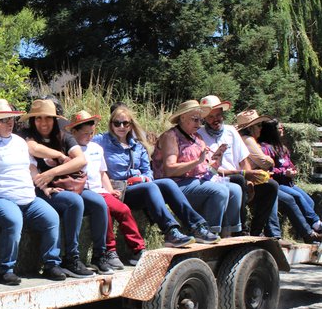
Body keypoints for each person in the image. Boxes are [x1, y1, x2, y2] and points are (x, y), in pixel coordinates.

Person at [93, 104, 219, 262]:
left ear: (131, 125)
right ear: (111, 124)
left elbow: (148, 171)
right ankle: (170, 230)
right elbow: (82, 142)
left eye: (126, 123)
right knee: (150, 187)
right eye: (117, 123)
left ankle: (196, 225)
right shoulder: (102, 140)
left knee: (167, 183)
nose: (121, 127)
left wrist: (144, 177)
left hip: (139, 186)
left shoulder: (137, 146)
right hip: (119, 189)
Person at [0, 99, 65, 284]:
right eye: (4, 120)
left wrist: (44, 186)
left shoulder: (20, 142)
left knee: (52, 218)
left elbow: (29, 168)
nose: (10, 123)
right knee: (14, 220)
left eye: (11, 119)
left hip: (27, 198)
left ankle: (51, 264)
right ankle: (4, 270)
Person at [19, 99, 106, 277]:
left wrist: (53, 172)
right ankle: (71, 257)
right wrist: (59, 155)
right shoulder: (26, 135)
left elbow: (81, 160)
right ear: (33, 120)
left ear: (55, 119)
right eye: (38, 118)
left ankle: (100, 254)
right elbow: (33, 148)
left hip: (67, 183)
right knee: (74, 202)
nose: (43, 123)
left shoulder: (64, 136)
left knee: (99, 203)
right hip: (43, 188)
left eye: (48, 118)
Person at [67, 110, 146, 269]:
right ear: (74, 131)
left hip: (100, 190)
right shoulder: (70, 149)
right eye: (85, 134)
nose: (89, 136)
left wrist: (109, 189)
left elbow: (102, 172)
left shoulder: (96, 147)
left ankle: (138, 248)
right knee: (104, 211)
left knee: (123, 209)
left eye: (92, 132)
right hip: (83, 191)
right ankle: (109, 251)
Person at [151, 100, 242, 236]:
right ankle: (207, 231)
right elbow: (169, 169)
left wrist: (217, 159)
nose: (199, 124)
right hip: (175, 185)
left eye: (200, 120)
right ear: (182, 118)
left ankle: (229, 233)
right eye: (195, 120)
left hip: (196, 181)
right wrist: (196, 161)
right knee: (220, 191)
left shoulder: (197, 137)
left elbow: (207, 169)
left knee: (235, 189)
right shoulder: (171, 136)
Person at [198, 95, 280, 238]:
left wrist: (249, 178)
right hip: (216, 179)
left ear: (222, 114)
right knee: (238, 180)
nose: (215, 119)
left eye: (217, 115)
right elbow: (211, 168)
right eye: (210, 117)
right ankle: (241, 229)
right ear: (204, 119)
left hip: (240, 176)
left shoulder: (231, 131)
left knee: (271, 186)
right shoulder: (199, 135)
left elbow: (243, 159)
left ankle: (255, 232)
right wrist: (244, 175)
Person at [237, 112, 322, 243]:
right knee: (284, 196)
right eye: (258, 125)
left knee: (293, 196)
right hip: (253, 181)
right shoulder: (247, 139)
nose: (261, 128)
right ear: (250, 127)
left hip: (260, 180)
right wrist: (276, 168)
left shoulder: (254, 141)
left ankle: (280, 233)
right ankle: (295, 233)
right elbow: (265, 162)